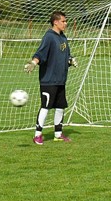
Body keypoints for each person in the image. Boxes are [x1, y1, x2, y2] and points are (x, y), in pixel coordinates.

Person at [24, 11, 77, 144]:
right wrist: (33, 63)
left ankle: (58, 134)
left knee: (60, 107)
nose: (66, 23)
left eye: (66, 21)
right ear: (55, 22)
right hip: (48, 80)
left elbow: (64, 56)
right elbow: (40, 53)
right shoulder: (48, 37)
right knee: (46, 106)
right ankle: (37, 135)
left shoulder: (63, 38)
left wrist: (70, 60)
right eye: (63, 21)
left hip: (61, 79)